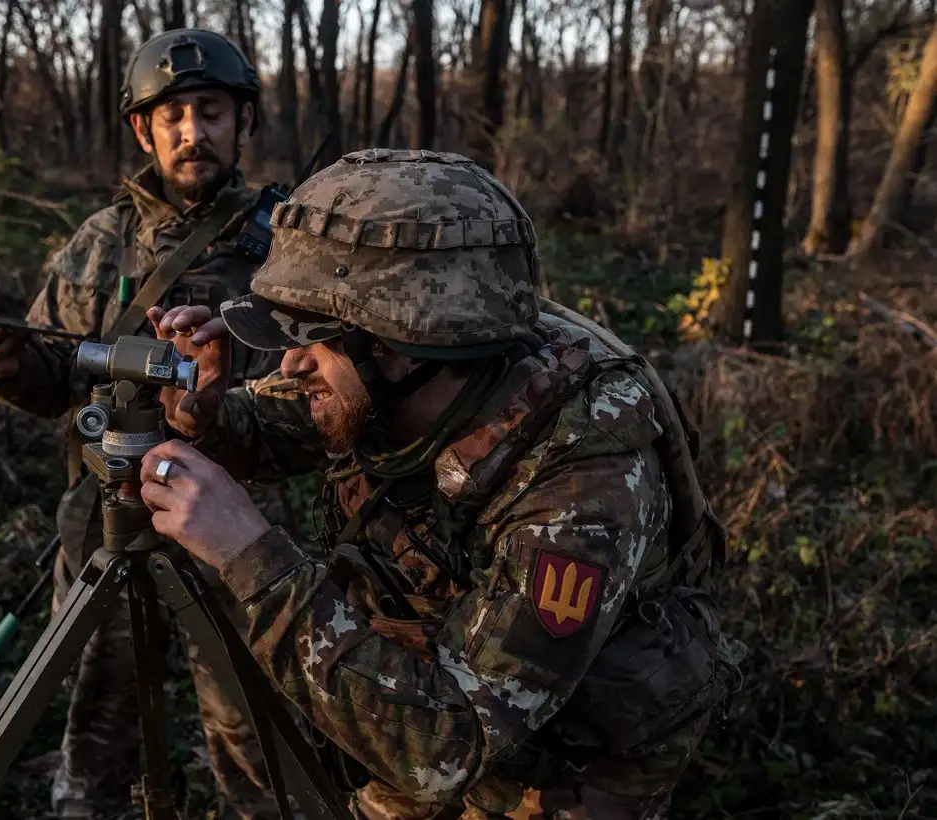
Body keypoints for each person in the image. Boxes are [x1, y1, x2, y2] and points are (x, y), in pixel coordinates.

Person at [135, 149, 747, 820]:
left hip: (557, 771)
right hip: (417, 701)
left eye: (316, 338)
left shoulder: (583, 479)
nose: (288, 361)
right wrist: (212, 409)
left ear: (406, 346)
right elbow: (294, 421)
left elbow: (445, 750)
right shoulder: (396, 377)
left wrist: (252, 555)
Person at [0, 27, 298, 820]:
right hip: (106, 520)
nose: (192, 132)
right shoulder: (101, 242)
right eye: (171, 116)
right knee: (94, 719)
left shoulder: (288, 245)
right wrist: (8, 366)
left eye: (210, 111)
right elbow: (57, 384)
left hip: (236, 525)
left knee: (255, 730)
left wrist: (222, 403)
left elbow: (316, 396)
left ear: (243, 121)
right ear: (143, 130)